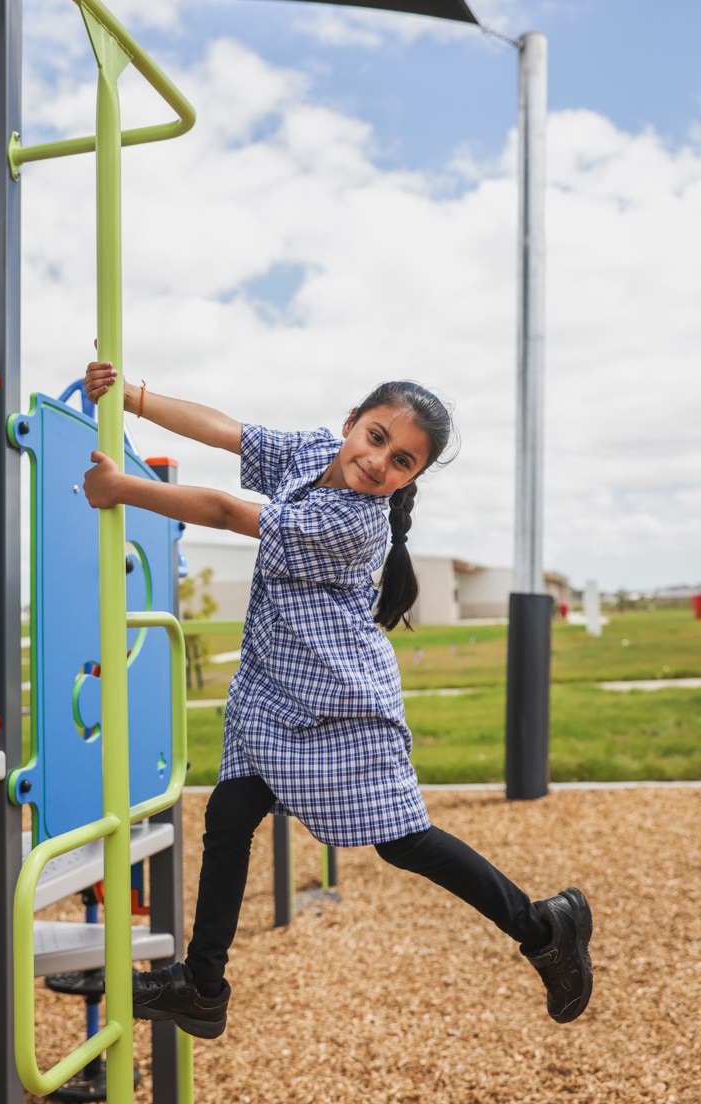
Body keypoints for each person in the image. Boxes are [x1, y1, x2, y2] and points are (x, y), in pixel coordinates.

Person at [82, 361, 593, 1040]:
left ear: (412, 478)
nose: (378, 460)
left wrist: (122, 488)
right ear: (351, 422)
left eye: (401, 459)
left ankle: (540, 928)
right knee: (229, 819)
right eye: (375, 436)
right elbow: (228, 432)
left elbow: (227, 511)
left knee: (403, 840)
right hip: (272, 689)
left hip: (338, 700)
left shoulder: (355, 523)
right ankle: (202, 988)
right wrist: (135, 397)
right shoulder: (313, 452)